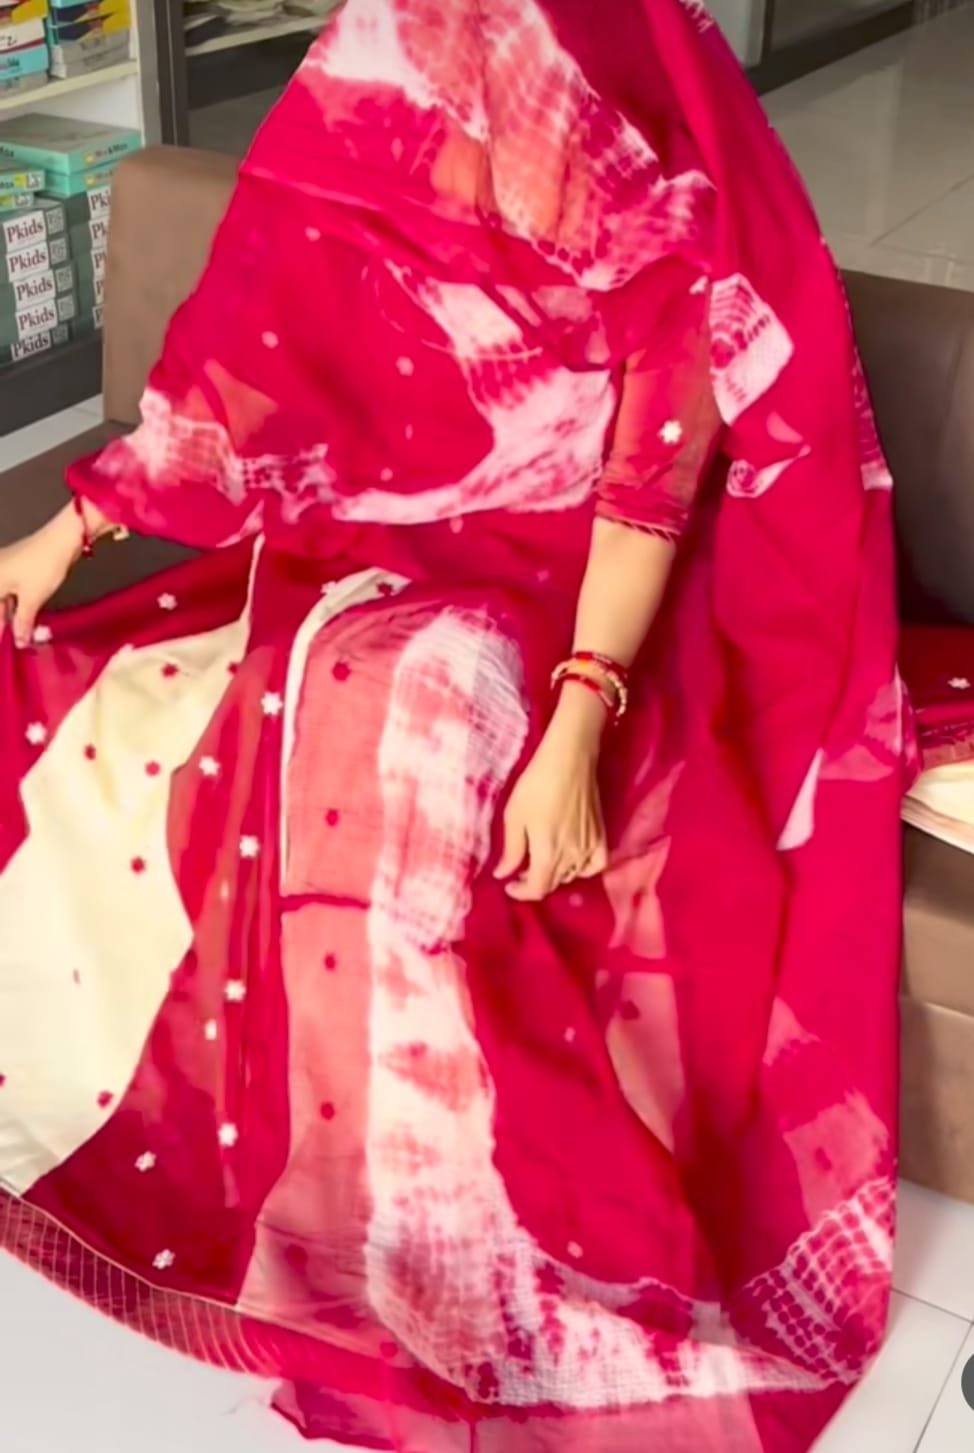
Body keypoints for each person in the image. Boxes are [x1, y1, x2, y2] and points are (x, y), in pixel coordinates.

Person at [0, 2, 910, 1449]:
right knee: (155, 690)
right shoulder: (393, 55)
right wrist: (73, 525)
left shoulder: (626, 113)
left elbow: (650, 481)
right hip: (391, 536)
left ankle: (437, 1235)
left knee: (405, 707)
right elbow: (255, 346)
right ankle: (308, 1184)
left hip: (599, 593)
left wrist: (580, 724)